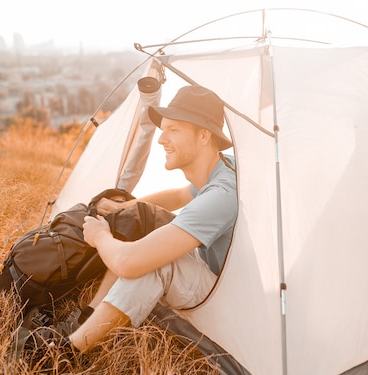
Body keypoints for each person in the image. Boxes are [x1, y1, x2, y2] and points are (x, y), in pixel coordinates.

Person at [29, 84, 237, 360]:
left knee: (154, 263)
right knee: (144, 225)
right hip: (223, 277)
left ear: (203, 136)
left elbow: (128, 263)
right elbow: (178, 195)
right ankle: (86, 316)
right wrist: (127, 206)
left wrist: (100, 236)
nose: (163, 139)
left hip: (232, 304)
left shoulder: (221, 195)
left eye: (173, 130)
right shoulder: (224, 167)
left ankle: (65, 354)